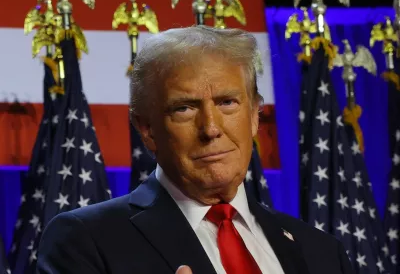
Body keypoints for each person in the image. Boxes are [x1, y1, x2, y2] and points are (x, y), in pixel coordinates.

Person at [36, 26, 355, 274]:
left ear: (255, 115)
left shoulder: (322, 252)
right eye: (184, 108)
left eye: (227, 102)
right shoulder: (86, 240)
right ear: (146, 129)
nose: (211, 129)